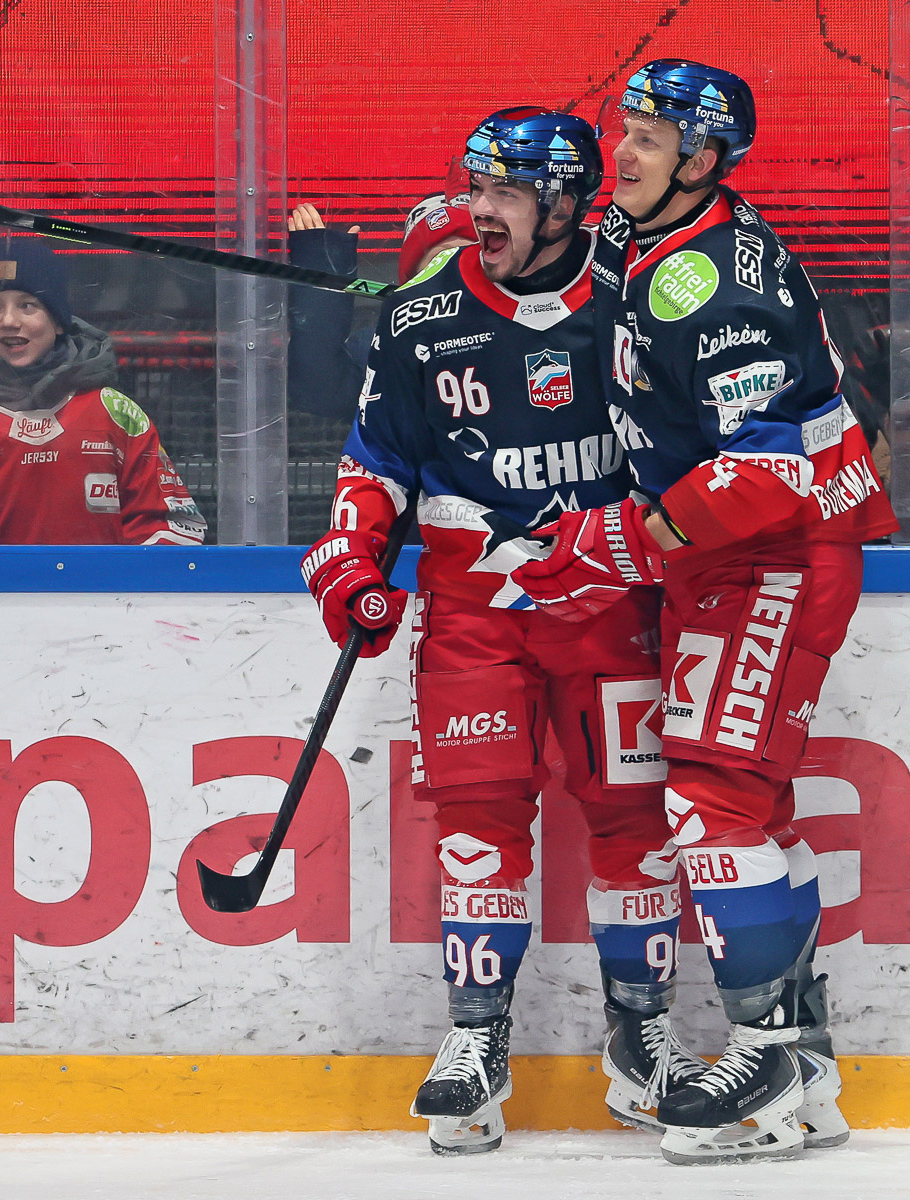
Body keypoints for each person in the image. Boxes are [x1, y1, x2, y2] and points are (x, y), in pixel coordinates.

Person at [516, 60, 896, 1164]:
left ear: (703, 158)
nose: (621, 153)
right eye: (623, 130)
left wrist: (617, 541)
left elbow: (768, 469)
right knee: (752, 806)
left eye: (646, 136)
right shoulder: (650, 235)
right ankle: (803, 1069)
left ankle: (766, 1063)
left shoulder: (718, 283)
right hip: (728, 558)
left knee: (714, 803)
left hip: (776, 551)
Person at [302, 107, 702, 1155]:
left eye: (509, 193)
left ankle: (643, 1038)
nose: (482, 209)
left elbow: (700, 446)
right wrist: (348, 556)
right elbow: (375, 460)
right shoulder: (420, 317)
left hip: (613, 606)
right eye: (476, 187)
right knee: (478, 823)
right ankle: (476, 1038)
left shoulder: (637, 297)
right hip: (474, 614)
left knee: (635, 820)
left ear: (565, 204)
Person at [0, 236, 205, 545]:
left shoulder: (117, 415)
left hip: (102, 587)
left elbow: (172, 530)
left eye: (27, 305)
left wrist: (117, 579)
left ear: (59, 321)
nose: (9, 321)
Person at [286, 195, 476, 421]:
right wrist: (322, 278)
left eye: (470, 258)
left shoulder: (514, 329)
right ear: (414, 277)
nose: (455, 272)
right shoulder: (386, 345)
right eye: (440, 260)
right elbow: (318, 390)